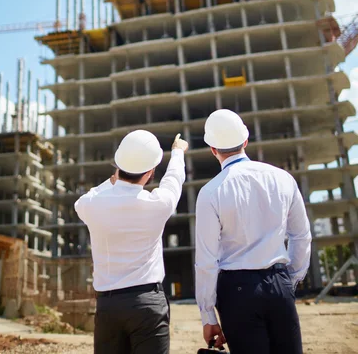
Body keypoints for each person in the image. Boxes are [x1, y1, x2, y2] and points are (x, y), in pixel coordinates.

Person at [195, 109, 311, 354]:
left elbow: (207, 260)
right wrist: (290, 280)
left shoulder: (210, 192)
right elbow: (301, 236)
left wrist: (208, 316)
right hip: (279, 282)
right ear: (245, 142)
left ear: (212, 149)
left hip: (237, 291)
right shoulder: (283, 178)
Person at [74, 129, 187, 354]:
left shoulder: (91, 205)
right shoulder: (158, 204)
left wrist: (111, 181)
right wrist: (177, 153)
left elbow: (84, 199)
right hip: (148, 304)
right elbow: (174, 180)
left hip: (109, 306)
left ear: (119, 166)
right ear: (151, 172)